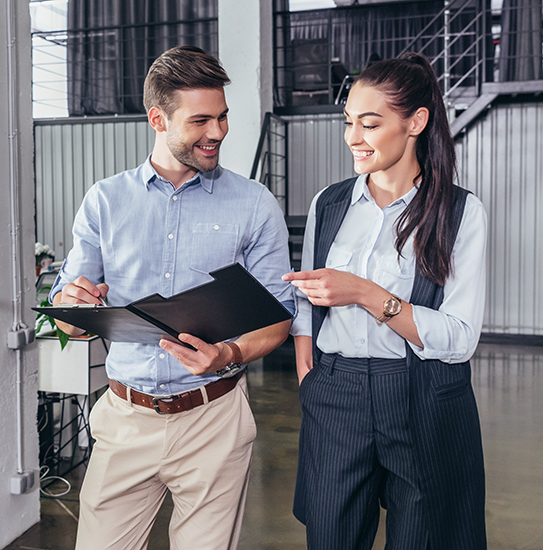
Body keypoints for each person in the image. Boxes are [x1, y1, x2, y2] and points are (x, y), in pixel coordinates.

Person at [49, 45, 294, 550]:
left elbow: (279, 318)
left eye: (223, 117)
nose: (219, 133)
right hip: (124, 422)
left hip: (215, 420)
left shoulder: (254, 205)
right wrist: (73, 306)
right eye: (201, 120)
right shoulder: (105, 200)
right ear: (157, 118)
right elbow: (70, 319)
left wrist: (229, 353)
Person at [283, 52, 489, 550]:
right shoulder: (328, 204)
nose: (354, 137)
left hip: (422, 397)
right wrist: (309, 370)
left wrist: (369, 295)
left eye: (370, 124)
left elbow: (459, 339)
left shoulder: (460, 212)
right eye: (349, 122)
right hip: (337, 395)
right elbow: (309, 300)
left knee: (425, 536)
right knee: (330, 537)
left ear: (416, 122)